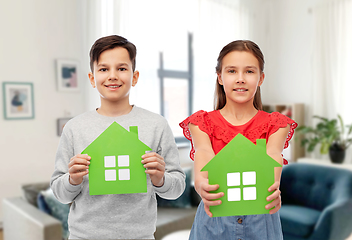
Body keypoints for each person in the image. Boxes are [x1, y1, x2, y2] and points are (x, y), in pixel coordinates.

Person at [51, 35, 186, 239]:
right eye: (103, 69)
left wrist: (160, 179)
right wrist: (72, 179)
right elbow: (60, 194)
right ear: (92, 78)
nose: (112, 76)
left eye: (122, 68)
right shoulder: (74, 128)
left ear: (135, 77)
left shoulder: (157, 125)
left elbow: (176, 189)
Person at [180, 40, 297, 240]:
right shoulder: (202, 122)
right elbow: (204, 153)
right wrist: (200, 183)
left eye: (249, 72)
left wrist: (273, 186)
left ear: (260, 78)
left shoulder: (276, 123)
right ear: (220, 77)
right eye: (232, 71)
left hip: (261, 219)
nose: (240, 79)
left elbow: (273, 156)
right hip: (214, 218)